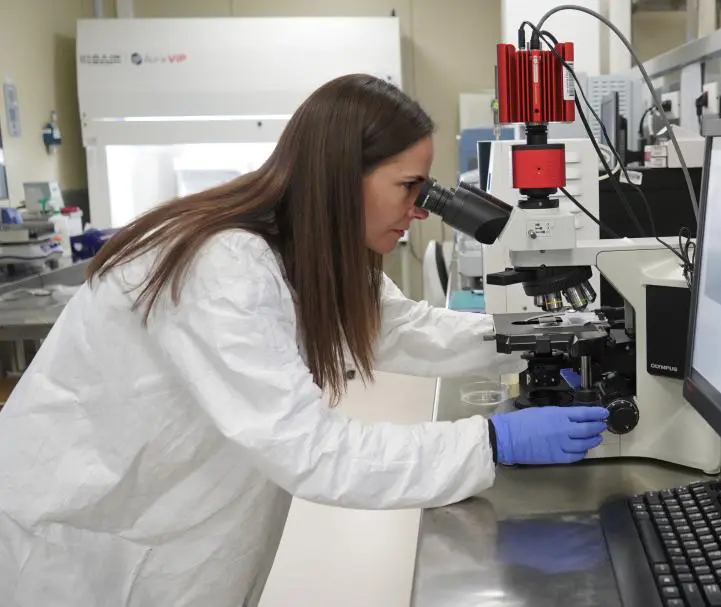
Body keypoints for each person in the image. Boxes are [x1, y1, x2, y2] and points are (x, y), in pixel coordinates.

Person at [0, 74, 609, 606]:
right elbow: (310, 449)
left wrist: (526, 333)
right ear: (344, 178)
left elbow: (399, 328)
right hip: (82, 541)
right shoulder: (225, 266)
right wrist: (490, 441)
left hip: (170, 519)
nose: (420, 209)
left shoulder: (310, 248)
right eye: (409, 186)